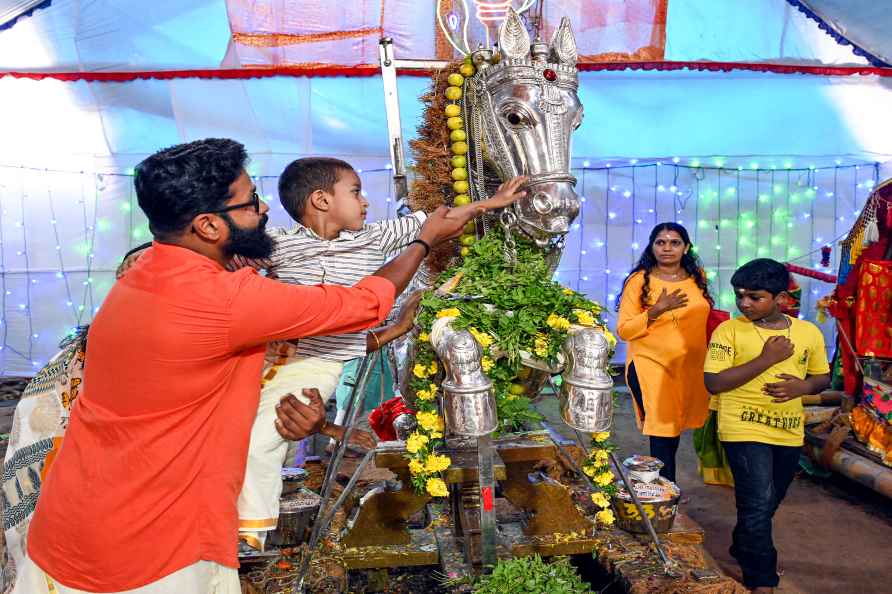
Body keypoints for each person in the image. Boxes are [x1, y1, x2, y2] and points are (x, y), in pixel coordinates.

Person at [15, 138, 495, 594]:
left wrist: (319, 420)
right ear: (208, 225)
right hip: (148, 546)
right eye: (250, 202)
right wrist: (424, 242)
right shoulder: (225, 299)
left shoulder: (144, 273)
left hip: (70, 521)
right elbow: (359, 304)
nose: (265, 210)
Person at [234, 157, 526, 550]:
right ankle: (237, 514)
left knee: (266, 438)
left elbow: (434, 224)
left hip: (318, 365)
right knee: (238, 434)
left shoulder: (373, 238)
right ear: (321, 200)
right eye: (355, 192)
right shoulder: (279, 246)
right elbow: (234, 261)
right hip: (272, 358)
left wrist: (489, 204)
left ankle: (250, 530)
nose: (366, 201)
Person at [704, 258, 830, 594]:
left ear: (781, 298)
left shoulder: (808, 332)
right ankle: (762, 578)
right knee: (756, 503)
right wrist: (766, 360)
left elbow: (821, 376)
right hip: (742, 427)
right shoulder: (729, 330)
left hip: (788, 429)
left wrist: (802, 388)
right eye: (739, 295)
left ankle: (742, 544)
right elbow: (714, 383)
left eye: (755, 297)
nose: (744, 303)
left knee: (768, 502)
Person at [616, 222, 712, 482]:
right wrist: (657, 310)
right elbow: (624, 330)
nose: (667, 248)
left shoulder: (697, 276)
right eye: (660, 242)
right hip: (651, 366)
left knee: (675, 428)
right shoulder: (639, 281)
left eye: (674, 242)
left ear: (686, 247)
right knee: (662, 431)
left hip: (688, 367)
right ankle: (664, 491)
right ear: (652, 246)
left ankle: (664, 486)